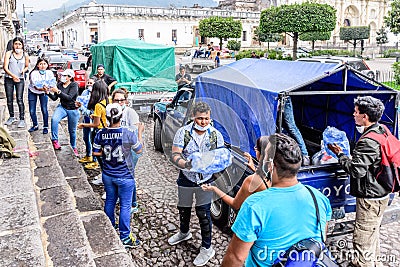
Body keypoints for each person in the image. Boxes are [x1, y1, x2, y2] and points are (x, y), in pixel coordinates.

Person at [221, 133, 332, 267]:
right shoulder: (319, 198)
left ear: (270, 166)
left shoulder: (255, 205)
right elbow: (321, 239)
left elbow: (235, 258)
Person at [328, 96, 390, 267]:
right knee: (372, 234)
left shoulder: (368, 142)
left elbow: (356, 170)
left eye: (356, 112)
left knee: (362, 239)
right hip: (380, 193)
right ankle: (375, 262)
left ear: (365, 116)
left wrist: (340, 154)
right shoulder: (382, 130)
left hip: (370, 198)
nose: (353, 114)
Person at [168, 101, 224, 266]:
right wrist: (185, 164)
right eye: (200, 119)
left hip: (205, 180)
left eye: (206, 119)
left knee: (203, 213)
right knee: (183, 208)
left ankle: (207, 247)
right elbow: (175, 154)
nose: (203, 122)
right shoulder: (183, 133)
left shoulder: (215, 135)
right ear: (193, 117)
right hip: (186, 177)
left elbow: (219, 156)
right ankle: (184, 232)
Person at [92, 103, 143, 249]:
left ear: (107, 117)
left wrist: (108, 156)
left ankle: (110, 229)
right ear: (121, 116)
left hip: (108, 174)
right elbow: (139, 150)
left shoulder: (100, 133)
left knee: (110, 201)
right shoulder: (128, 133)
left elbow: (96, 153)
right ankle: (125, 237)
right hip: (125, 176)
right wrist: (139, 132)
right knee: (125, 206)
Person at [201, 136, 270, 210]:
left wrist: (214, 189)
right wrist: (254, 168)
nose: (254, 149)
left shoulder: (252, 180)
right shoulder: (280, 174)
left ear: (260, 153)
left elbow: (235, 204)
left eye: (256, 148)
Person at [111, 88, 141, 213]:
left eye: (121, 100)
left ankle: (133, 203)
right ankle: (120, 197)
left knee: (128, 175)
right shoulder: (112, 111)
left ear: (126, 101)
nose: (119, 102)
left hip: (130, 149)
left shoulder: (130, 113)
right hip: (117, 149)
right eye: (116, 100)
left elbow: (133, 133)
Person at [46, 69, 80, 156]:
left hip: (72, 109)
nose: (63, 77)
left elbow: (69, 97)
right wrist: (48, 92)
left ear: (70, 77)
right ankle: (55, 140)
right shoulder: (60, 85)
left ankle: (73, 146)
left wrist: (58, 91)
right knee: (54, 119)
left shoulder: (74, 85)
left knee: (72, 130)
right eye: (62, 75)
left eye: (65, 76)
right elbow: (54, 98)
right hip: (62, 107)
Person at [77, 80, 110, 170]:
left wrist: (83, 125)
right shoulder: (108, 101)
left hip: (99, 132)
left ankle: (102, 172)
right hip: (107, 131)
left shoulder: (98, 105)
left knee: (98, 153)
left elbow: (96, 124)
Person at [3, 37, 30, 128]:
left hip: (20, 79)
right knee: (9, 99)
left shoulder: (25, 55)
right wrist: (13, 76)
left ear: (22, 45)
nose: (17, 46)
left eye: (19, 44)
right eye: (16, 44)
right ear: (13, 45)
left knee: (19, 99)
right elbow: (5, 67)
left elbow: (27, 66)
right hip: (9, 79)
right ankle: (11, 116)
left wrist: (23, 70)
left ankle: (22, 118)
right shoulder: (9, 54)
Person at [27, 57, 54, 134]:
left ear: (47, 65)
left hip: (44, 92)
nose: (42, 66)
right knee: (32, 110)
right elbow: (36, 86)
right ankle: (35, 125)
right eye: (41, 64)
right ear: (38, 65)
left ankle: (45, 126)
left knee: (44, 109)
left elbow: (52, 83)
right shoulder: (34, 73)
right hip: (33, 91)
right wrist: (44, 89)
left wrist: (47, 89)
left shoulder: (49, 73)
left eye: (44, 64)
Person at [281, 96, 310, 166]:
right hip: (276, 97)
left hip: (282, 98)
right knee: (290, 127)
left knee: (291, 127)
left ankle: (305, 155)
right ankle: (304, 155)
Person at [76, 78, 96, 164]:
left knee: (93, 139)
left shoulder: (97, 95)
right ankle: (88, 155)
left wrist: (82, 107)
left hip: (93, 119)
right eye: (88, 83)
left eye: (91, 83)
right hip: (86, 118)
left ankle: (95, 160)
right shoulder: (85, 92)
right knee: (85, 138)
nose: (89, 85)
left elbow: (91, 112)